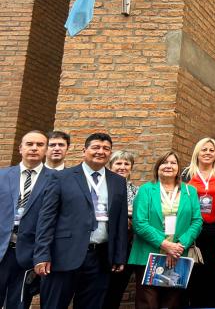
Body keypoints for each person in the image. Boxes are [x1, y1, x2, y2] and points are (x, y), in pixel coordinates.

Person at [34, 133, 129, 309]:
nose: (101, 151)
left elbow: (121, 222)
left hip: (100, 258)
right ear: (84, 150)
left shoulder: (118, 182)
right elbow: (46, 218)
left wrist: (119, 255)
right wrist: (42, 254)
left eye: (106, 148)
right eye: (96, 147)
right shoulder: (62, 177)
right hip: (62, 255)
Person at [128, 151, 203, 309]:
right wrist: (165, 244)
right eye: (164, 162)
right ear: (157, 167)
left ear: (178, 168)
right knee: (148, 303)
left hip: (178, 255)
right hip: (148, 254)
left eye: (173, 163)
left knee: (173, 302)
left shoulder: (190, 191)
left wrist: (179, 245)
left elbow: (197, 221)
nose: (169, 166)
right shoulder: (146, 190)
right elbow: (139, 222)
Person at [1, 131, 51, 309]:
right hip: (1, 249)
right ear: (20, 148)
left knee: (19, 303)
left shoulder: (55, 180)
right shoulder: (2, 176)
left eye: (40, 145)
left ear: (46, 150)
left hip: (29, 253)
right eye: (29, 144)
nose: (34, 148)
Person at [181, 137, 215, 307]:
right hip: (191, 231)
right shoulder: (186, 175)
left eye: (211, 150)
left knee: (212, 275)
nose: (208, 153)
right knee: (191, 274)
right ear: (197, 153)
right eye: (204, 149)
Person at [103, 150, 138, 309]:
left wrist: (124, 214)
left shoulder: (137, 191)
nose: (122, 167)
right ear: (110, 166)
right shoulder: (103, 187)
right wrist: (127, 214)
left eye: (126, 164)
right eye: (118, 163)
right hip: (104, 246)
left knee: (116, 292)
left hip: (127, 247)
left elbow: (140, 216)